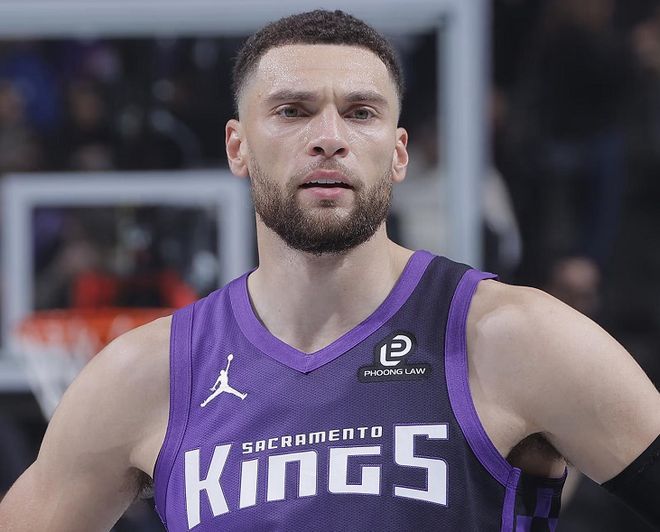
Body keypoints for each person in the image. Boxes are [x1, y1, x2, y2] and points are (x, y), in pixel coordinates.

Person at [1, 9, 659, 531]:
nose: (329, 137)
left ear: (398, 153)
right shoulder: (147, 375)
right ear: (237, 146)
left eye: (361, 113)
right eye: (292, 111)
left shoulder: (516, 337)